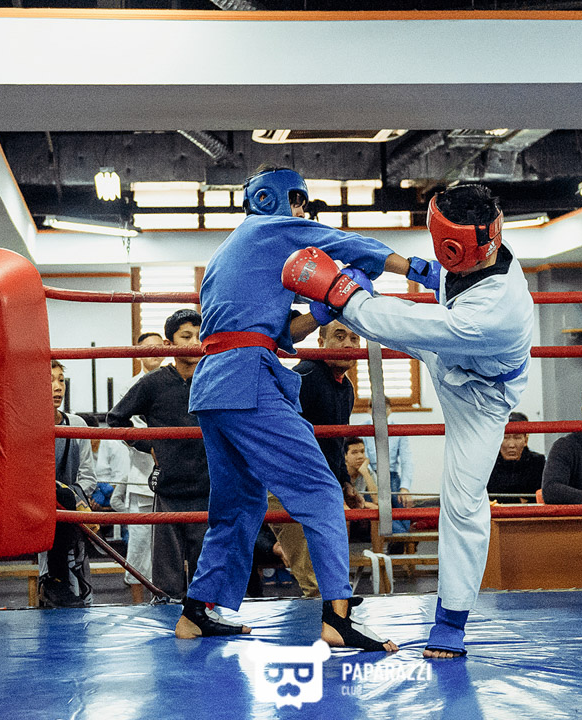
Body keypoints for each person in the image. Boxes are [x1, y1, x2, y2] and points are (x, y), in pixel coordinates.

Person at [285, 183, 535, 658]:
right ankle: (342, 298)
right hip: (453, 353)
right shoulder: (487, 257)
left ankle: (451, 623)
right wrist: (406, 270)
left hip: (481, 399)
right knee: (366, 309)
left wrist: (338, 291)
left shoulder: (492, 313)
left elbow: (399, 323)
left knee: (462, 502)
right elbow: (441, 280)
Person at [176, 166, 417, 652]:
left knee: (238, 503)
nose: (303, 212)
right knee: (320, 490)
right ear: (273, 199)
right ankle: (337, 619)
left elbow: (278, 333)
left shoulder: (234, 248)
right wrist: (416, 268)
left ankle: (196, 613)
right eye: (299, 201)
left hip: (216, 384)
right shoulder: (271, 228)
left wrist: (323, 312)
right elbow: (346, 243)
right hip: (247, 378)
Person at [108, 310, 210, 600]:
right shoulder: (154, 383)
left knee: (205, 578)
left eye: (200, 336)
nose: (195, 342)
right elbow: (116, 419)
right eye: (186, 336)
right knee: (168, 582)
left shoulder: (213, 380)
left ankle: (203, 618)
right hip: (169, 489)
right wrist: (149, 445)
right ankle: (169, 622)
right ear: (169, 344)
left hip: (208, 488)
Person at [269, 319, 362, 598]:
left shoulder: (345, 387)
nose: (348, 344)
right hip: (292, 485)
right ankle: (324, 621)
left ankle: (333, 616)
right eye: (339, 336)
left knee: (328, 569)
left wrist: (344, 482)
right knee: (313, 578)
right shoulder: (305, 376)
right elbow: (280, 434)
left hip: (320, 487)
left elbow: (336, 441)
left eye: (354, 338)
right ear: (321, 343)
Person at [109, 331, 165, 602]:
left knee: (168, 545)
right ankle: (137, 604)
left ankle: (169, 600)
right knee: (139, 546)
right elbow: (125, 429)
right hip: (141, 477)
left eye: (158, 347)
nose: (154, 353)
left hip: (174, 477)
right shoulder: (128, 387)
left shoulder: (175, 383)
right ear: (139, 352)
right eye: (148, 348)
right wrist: (152, 446)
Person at [40, 360, 99, 608]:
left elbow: (88, 476)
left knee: (79, 586)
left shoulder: (77, 425)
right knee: (50, 583)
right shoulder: (27, 426)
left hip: (73, 513)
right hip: (41, 511)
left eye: (61, 380)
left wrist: (73, 498)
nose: (57, 387)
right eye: (49, 380)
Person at [362, 406, 416, 533]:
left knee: (403, 506)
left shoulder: (398, 429)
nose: (379, 411)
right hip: (372, 475)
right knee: (382, 509)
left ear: (389, 410)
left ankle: (401, 538)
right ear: (368, 410)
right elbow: (364, 459)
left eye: (383, 408)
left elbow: (407, 460)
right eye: (374, 407)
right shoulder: (362, 429)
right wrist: (371, 479)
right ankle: (404, 538)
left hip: (392, 476)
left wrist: (405, 488)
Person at [487, 411, 544, 503]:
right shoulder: (487, 463)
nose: (511, 445)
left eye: (517, 437)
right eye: (505, 437)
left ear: (526, 440)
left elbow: (542, 497)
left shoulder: (538, 463)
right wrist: (518, 500)